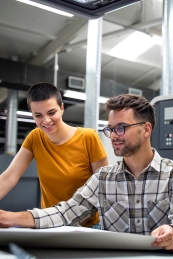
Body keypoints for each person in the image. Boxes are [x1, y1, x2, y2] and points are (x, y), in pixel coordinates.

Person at [0, 94, 173, 251]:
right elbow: (65, 212)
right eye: (110, 129)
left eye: (121, 128)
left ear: (146, 129)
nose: (113, 136)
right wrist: (10, 218)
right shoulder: (103, 178)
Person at [0, 82, 108, 228]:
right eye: (38, 115)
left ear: (62, 108)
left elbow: (104, 188)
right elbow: (9, 177)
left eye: (51, 113)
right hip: (49, 224)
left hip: (86, 226)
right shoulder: (35, 137)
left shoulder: (88, 138)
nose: (46, 121)